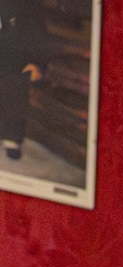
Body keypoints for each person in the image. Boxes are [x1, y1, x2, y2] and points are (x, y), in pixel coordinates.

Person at [0, 0, 49, 163]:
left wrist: (38, 63)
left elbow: (37, 32)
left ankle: (12, 136)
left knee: (14, 86)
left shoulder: (24, 7)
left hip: (15, 57)